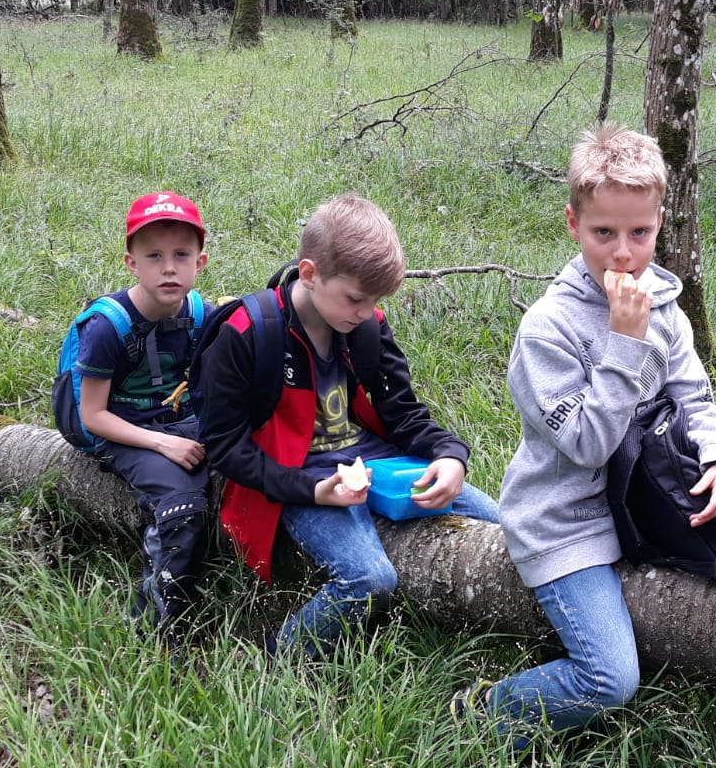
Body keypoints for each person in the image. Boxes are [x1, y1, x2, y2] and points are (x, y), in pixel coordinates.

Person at [451, 124, 716, 746]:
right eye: (603, 233)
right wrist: (624, 342)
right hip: (568, 523)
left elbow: (694, 398)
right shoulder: (548, 329)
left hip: (644, 507)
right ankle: (481, 714)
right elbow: (588, 444)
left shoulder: (663, 303)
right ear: (573, 224)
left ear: (659, 222)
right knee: (609, 679)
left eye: (639, 232)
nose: (623, 253)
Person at [196, 193, 498, 658]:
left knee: (504, 524)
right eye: (356, 298)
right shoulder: (247, 332)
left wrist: (450, 454)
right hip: (299, 475)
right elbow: (226, 447)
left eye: (375, 300)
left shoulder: (367, 325)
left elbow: (402, 410)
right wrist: (313, 491)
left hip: (375, 460)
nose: (365, 311)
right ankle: (278, 660)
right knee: (370, 579)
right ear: (310, 273)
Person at [73, 191, 213, 647]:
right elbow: (92, 415)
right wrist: (162, 443)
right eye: (153, 256)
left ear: (200, 262)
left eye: (181, 255)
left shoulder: (200, 314)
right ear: (131, 263)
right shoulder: (107, 327)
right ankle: (155, 627)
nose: (169, 268)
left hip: (183, 421)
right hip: (123, 431)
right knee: (182, 506)